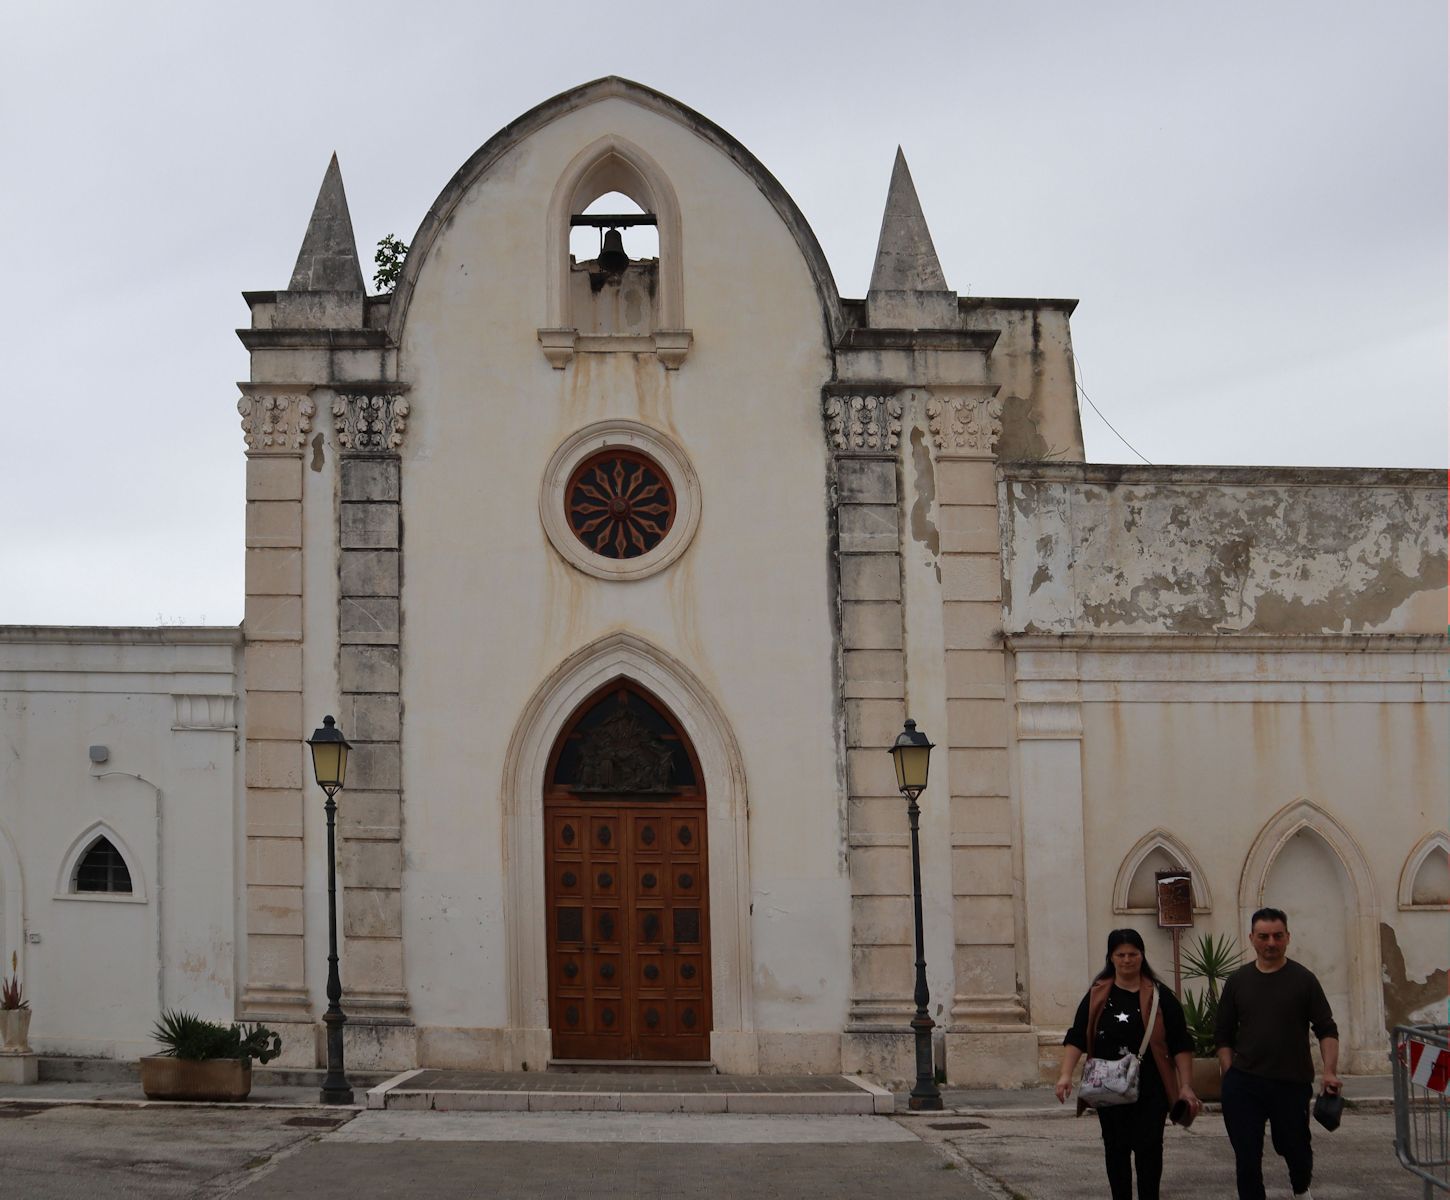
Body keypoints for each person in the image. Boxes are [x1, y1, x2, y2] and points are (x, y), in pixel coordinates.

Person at [1055, 929, 1201, 1200]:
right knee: (1115, 1151)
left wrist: (1186, 1086)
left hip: (1151, 1090)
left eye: (1132, 954)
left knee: (1150, 1151)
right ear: (1110, 958)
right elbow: (1077, 1035)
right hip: (1108, 1090)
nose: (1126, 960)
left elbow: (1180, 1042)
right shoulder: (1097, 995)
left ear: (1142, 956)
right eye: (1120, 955)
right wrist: (1065, 1075)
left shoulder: (1160, 996)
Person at [1215, 906, 1341, 1200]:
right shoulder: (1238, 981)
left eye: (1277, 936)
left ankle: (1300, 1189)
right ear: (1251, 938)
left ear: (1287, 938)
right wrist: (1229, 1069)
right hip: (1244, 1083)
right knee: (1246, 1155)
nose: (1270, 942)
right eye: (1263, 936)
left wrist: (1329, 1071)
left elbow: (1326, 1028)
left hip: (1290, 1083)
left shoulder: (1304, 980)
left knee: (1294, 1147)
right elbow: (1222, 1033)